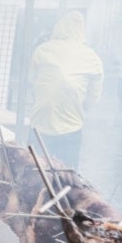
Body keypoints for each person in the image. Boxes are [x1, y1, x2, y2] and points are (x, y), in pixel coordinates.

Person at [29, 11, 103, 171]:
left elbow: (33, 84)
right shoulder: (92, 58)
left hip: (39, 124)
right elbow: (93, 100)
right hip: (70, 127)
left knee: (35, 173)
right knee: (66, 175)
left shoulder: (42, 50)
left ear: (58, 28)